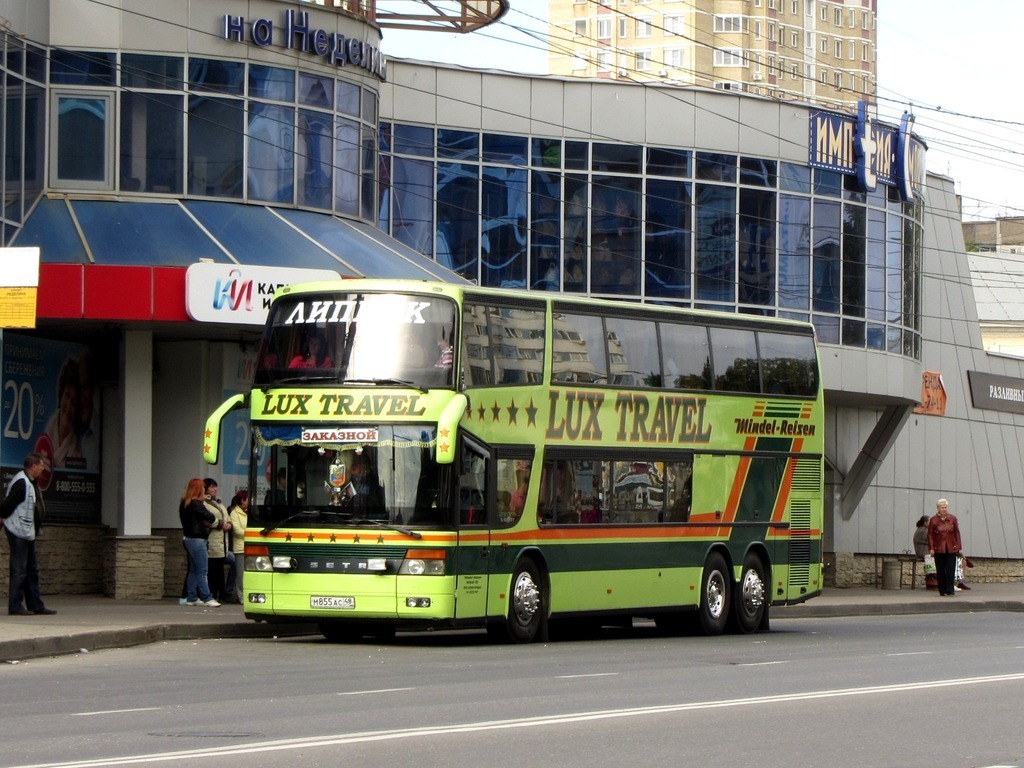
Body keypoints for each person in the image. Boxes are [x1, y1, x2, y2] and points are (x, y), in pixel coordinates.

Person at [1, 453, 57, 616]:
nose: (42, 468)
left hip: (28, 532)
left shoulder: (31, 482)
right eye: (41, 465)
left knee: (32, 570)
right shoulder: (22, 483)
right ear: (33, 466)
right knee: (19, 570)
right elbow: (6, 507)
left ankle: (35, 605)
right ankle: (15, 606)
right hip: (18, 531)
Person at [179, 477, 219, 607]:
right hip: (198, 540)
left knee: (194, 570)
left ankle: (191, 597)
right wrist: (205, 522)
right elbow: (211, 517)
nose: (204, 489)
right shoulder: (197, 504)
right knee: (202, 571)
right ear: (198, 489)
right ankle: (208, 597)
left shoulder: (184, 503)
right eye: (202, 487)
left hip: (188, 539)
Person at [45, 357, 82, 468]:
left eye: (74, 403)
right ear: (61, 395)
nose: (69, 406)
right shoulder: (46, 436)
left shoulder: (78, 449)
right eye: (67, 395)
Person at [203, 478, 233, 603]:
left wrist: (230, 524)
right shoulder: (204, 503)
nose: (214, 489)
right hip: (213, 541)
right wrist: (221, 525)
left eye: (215, 487)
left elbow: (228, 517)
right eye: (211, 487)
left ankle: (222, 593)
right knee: (212, 570)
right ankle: (213, 593)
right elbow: (206, 520)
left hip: (223, 542)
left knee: (219, 569)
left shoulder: (219, 503)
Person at [927, 498, 963, 597]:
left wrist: (959, 547)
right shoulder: (933, 520)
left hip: (951, 547)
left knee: (951, 569)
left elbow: (957, 533)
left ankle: (950, 590)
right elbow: (930, 535)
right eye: (942, 507)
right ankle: (942, 590)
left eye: (945, 507)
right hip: (939, 548)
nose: (944, 509)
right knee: (941, 570)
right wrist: (931, 547)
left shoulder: (953, 519)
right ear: (938, 508)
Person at [228, 491, 248, 604]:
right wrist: (250, 533)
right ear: (242, 500)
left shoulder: (248, 512)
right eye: (247, 499)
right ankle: (241, 596)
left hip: (249, 545)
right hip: (240, 547)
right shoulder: (234, 513)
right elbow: (237, 531)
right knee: (240, 574)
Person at [913, 514, 937, 590]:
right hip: (923, 552)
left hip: (922, 551)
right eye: (930, 522)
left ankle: (932, 579)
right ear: (925, 522)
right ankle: (933, 579)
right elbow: (932, 540)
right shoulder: (924, 531)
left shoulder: (921, 529)